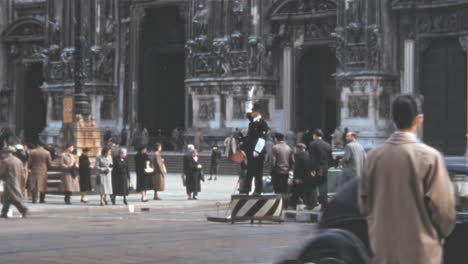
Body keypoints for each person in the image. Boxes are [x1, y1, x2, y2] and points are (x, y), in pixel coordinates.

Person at [359, 95, 456, 264]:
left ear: (393, 119)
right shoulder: (430, 158)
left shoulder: (373, 157)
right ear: (419, 119)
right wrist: (436, 235)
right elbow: (444, 212)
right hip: (421, 254)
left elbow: (363, 205)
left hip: (384, 251)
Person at [240, 102, 269, 194]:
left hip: (257, 152)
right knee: (249, 172)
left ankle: (258, 190)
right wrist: (242, 141)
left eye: (253, 111)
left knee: (258, 173)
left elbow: (262, 139)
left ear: (258, 112)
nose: (251, 113)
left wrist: (257, 150)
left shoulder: (262, 123)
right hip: (250, 151)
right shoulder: (252, 123)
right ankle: (246, 189)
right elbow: (250, 137)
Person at [308, 129, 333, 211]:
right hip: (324, 168)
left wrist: (312, 169)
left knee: (313, 186)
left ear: (315, 135)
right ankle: (324, 205)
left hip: (316, 168)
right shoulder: (327, 145)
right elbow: (330, 158)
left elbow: (312, 158)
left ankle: (312, 203)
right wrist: (328, 166)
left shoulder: (312, 144)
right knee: (323, 186)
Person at [0, 146, 28, 218]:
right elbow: (23, 172)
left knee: (13, 197)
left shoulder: (6, 161)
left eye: (3, 153)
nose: (2, 155)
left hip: (10, 181)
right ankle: (4, 212)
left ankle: (23, 209)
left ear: (7, 153)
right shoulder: (18, 161)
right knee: (7, 197)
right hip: (18, 180)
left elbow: (2, 173)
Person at [270, 133, 294, 208]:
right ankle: (285, 206)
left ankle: (278, 206)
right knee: (285, 190)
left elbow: (273, 162)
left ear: (276, 139)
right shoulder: (288, 147)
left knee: (277, 190)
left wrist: (271, 171)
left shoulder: (275, 147)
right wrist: (290, 169)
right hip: (286, 172)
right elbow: (292, 161)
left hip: (277, 172)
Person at [290, 143, 311, 209]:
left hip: (300, 176)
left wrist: (296, 177)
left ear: (298, 148)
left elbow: (297, 167)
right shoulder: (309, 154)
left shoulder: (298, 155)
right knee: (306, 191)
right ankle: (309, 204)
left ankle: (293, 205)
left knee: (295, 191)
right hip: (308, 176)